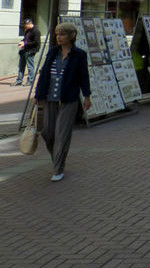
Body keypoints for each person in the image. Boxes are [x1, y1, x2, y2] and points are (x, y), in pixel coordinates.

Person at [33, 22, 92, 182]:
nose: (59, 37)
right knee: (48, 132)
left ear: (71, 36)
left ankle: (58, 168)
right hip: (49, 97)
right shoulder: (52, 52)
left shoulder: (79, 55)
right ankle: (58, 159)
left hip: (68, 99)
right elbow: (44, 73)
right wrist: (38, 94)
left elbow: (83, 76)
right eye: (58, 34)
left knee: (62, 134)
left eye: (63, 34)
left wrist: (87, 95)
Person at [15, 18, 40, 86]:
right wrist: (22, 41)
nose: (25, 27)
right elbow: (25, 39)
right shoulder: (27, 30)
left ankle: (30, 81)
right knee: (21, 66)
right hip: (24, 50)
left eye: (25, 25)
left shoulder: (36, 31)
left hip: (30, 51)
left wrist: (25, 44)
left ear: (29, 24)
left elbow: (36, 42)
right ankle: (19, 80)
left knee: (30, 66)